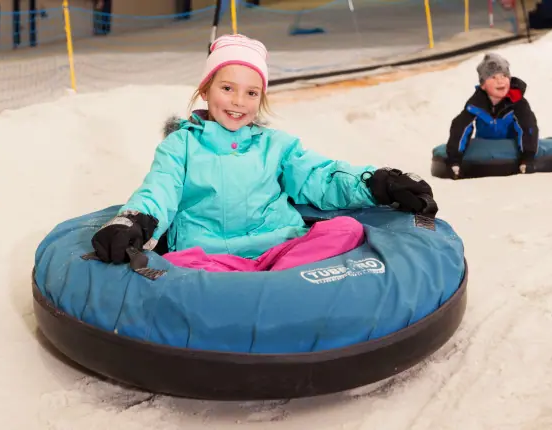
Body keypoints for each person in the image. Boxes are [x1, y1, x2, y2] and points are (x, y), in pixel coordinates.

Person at [91, 34, 437, 269]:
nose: (239, 102)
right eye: (228, 88)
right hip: (210, 255)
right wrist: (134, 222)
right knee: (179, 266)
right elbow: (159, 190)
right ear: (205, 91)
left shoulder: (276, 145)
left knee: (346, 229)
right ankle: (271, 288)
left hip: (280, 246)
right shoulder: (181, 146)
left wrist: (378, 183)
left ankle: (278, 283)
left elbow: (320, 177)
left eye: (251, 93)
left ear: (261, 98)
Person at [446, 52, 539, 178]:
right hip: (485, 146)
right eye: (493, 77)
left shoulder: (517, 103)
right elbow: (460, 128)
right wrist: (454, 159)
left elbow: (527, 127)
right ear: (483, 85)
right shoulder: (476, 104)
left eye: (504, 76)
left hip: (510, 148)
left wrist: (527, 157)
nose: (500, 81)